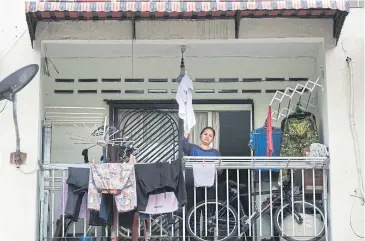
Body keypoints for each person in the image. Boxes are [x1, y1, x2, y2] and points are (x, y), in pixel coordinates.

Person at [181, 127, 221, 209]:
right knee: (192, 211)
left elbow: (220, 170)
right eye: (205, 134)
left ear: (213, 139)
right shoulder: (193, 148)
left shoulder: (216, 153)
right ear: (200, 136)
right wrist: (187, 127)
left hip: (209, 186)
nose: (207, 137)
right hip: (193, 185)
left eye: (210, 135)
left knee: (209, 211)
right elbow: (183, 144)